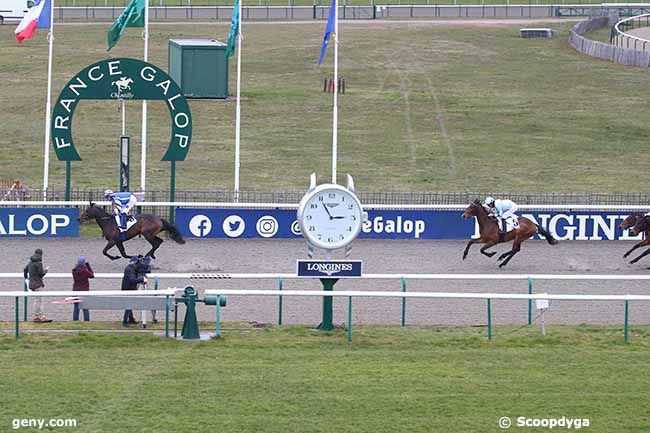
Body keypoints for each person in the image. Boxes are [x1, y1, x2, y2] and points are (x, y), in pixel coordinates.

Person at [23, 248, 51, 323]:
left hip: (31, 284)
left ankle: (37, 316)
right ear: (41, 255)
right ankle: (39, 317)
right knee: (39, 301)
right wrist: (46, 270)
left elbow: (25, 270)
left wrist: (26, 278)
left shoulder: (30, 262)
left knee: (37, 300)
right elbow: (41, 274)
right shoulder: (39, 263)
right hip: (38, 284)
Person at [121, 256, 147, 326]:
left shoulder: (130, 268)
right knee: (129, 304)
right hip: (128, 289)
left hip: (127, 288)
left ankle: (131, 319)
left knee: (130, 304)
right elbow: (132, 280)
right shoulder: (130, 269)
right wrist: (141, 279)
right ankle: (125, 321)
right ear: (135, 263)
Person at [72, 256, 94, 322]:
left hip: (75, 290)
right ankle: (86, 321)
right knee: (85, 308)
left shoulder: (74, 271)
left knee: (76, 307)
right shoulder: (85, 271)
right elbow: (92, 275)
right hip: (84, 291)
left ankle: (75, 321)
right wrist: (88, 265)